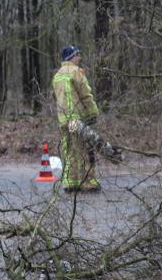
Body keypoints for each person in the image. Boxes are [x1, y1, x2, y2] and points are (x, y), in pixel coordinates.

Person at [52, 45, 122, 192]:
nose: (80, 57)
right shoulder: (76, 72)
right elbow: (85, 95)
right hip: (76, 119)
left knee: (70, 151)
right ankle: (88, 183)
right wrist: (93, 113)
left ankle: (71, 183)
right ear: (71, 57)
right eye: (77, 54)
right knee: (86, 150)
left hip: (64, 120)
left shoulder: (57, 75)